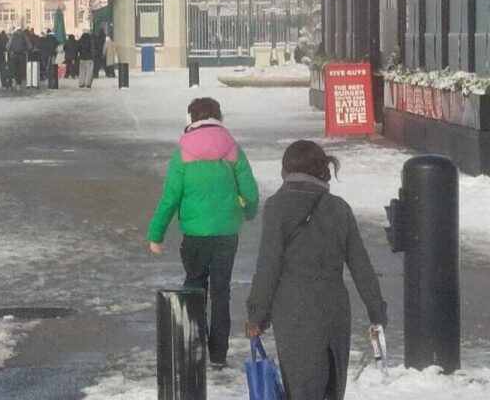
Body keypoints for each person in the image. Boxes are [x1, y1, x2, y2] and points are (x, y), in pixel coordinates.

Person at [245, 140, 387, 399]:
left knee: (301, 390)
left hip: (294, 311)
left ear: (286, 171)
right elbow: (360, 265)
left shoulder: (278, 206)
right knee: (332, 390)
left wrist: (257, 315)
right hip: (335, 310)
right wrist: (376, 310)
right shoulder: (339, 208)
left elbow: (269, 264)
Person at [148, 97, 259, 368]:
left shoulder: (182, 152)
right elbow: (251, 191)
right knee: (222, 291)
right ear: (219, 117)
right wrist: (249, 211)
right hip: (226, 233)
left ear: (191, 119)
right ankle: (218, 355)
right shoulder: (232, 148)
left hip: (195, 234)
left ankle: (193, 347)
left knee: (195, 286)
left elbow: (171, 197)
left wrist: (156, 233)